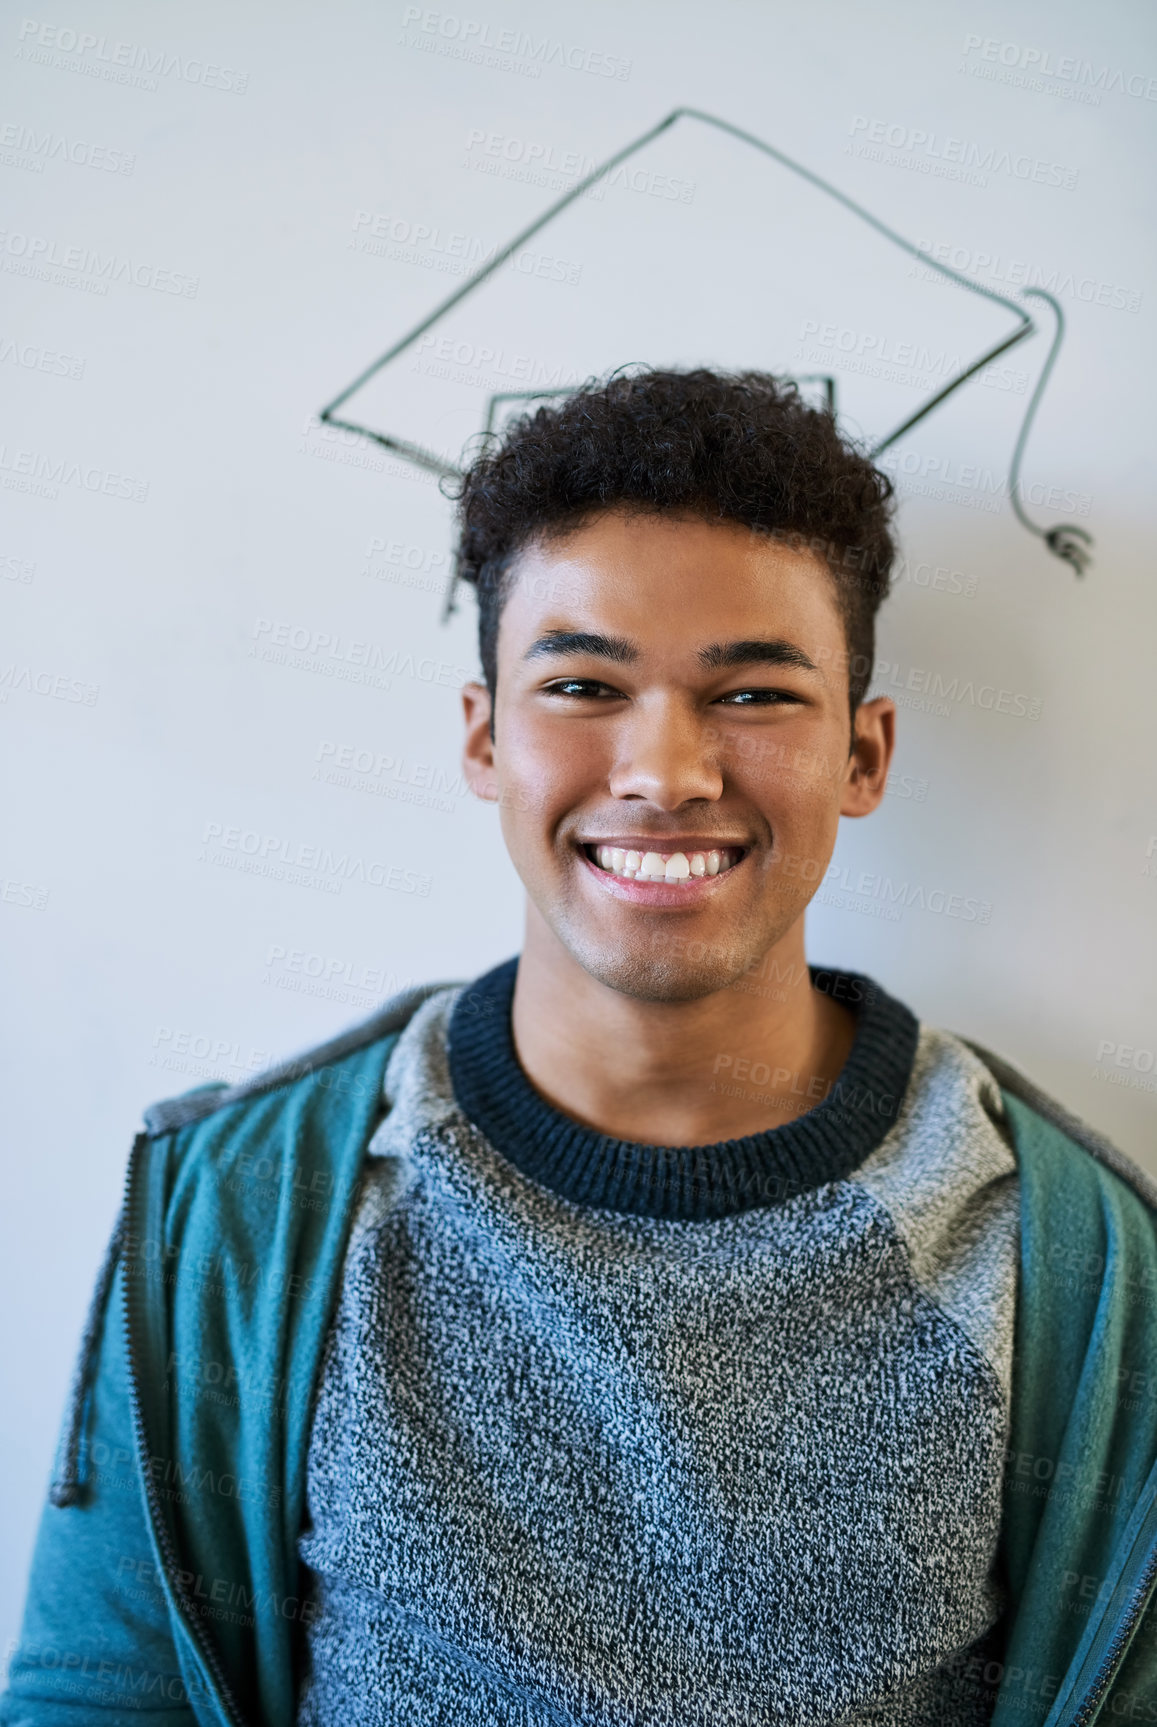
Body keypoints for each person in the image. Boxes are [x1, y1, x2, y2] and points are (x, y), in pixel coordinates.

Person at [4, 369, 1156, 1727]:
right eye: (583, 683)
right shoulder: (247, 1206)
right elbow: (101, 1695)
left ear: (862, 752)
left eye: (752, 696)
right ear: (485, 735)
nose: (664, 769)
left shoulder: (1071, 1253)